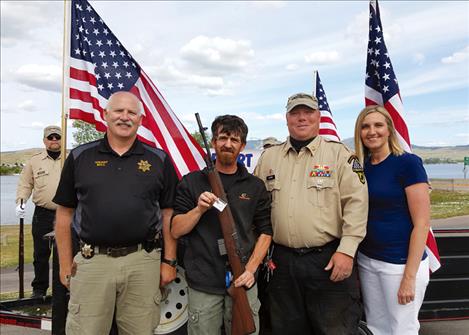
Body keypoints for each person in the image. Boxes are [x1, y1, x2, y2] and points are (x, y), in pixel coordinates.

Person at [53, 91, 179, 335]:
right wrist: (65, 263)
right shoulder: (80, 157)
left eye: (132, 112)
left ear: (140, 119)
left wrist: (169, 262)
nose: (125, 117)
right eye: (119, 111)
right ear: (105, 115)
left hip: (143, 261)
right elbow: (64, 214)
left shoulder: (158, 159)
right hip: (91, 263)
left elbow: (168, 214)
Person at [254, 93, 369, 335]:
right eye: (295, 113)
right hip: (281, 263)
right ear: (286, 119)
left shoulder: (340, 155)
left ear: (318, 117)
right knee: (285, 328)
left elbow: (356, 205)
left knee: (334, 329)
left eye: (308, 112)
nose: (302, 118)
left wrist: (347, 251)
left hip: (328, 260)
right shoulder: (269, 158)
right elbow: (253, 205)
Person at [171, 115, 272, 335]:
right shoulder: (191, 182)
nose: (228, 144)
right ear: (214, 142)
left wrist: (251, 270)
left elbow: (265, 232)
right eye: (223, 138)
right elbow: (176, 229)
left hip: (244, 279)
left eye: (234, 140)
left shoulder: (255, 186)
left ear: (242, 145)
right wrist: (198, 210)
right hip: (204, 282)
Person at [354, 105, 430, 335]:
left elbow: (422, 224)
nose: (372, 131)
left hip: (399, 265)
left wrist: (409, 276)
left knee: (402, 329)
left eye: (378, 125)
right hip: (368, 260)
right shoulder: (361, 167)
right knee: (376, 328)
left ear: (389, 129)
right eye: (365, 126)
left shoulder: (408, 163)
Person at [16, 125, 62, 298]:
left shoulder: (71, 158)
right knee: (41, 254)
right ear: (45, 141)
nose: (54, 140)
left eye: (57, 137)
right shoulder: (34, 161)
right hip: (42, 214)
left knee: (66, 253)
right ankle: (39, 290)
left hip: (67, 214)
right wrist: (21, 201)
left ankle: (64, 289)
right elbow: (25, 184)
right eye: (51, 137)